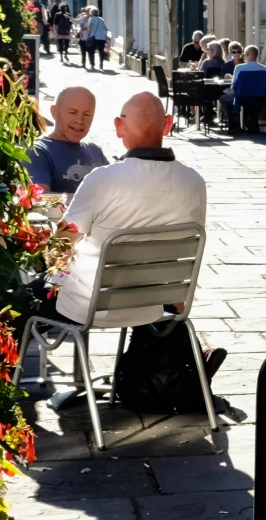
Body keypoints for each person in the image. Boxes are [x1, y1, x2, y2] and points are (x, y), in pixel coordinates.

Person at [48, 95, 213, 390]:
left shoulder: (103, 179)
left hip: (92, 306)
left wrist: (49, 268)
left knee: (25, 296)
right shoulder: (194, 182)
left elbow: (59, 246)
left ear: (119, 127)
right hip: (152, 306)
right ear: (168, 125)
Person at [27, 85, 109, 193]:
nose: (80, 120)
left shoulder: (95, 151)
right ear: (54, 112)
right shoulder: (38, 151)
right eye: (72, 112)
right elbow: (40, 198)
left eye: (87, 114)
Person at [229, 46, 266, 134]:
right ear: (257, 55)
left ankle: (235, 124)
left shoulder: (239, 68)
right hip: (260, 98)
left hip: (242, 98)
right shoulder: (265, 69)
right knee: (253, 103)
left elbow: (234, 85)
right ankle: (251, 123)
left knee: (225, 99)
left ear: (247, 55)